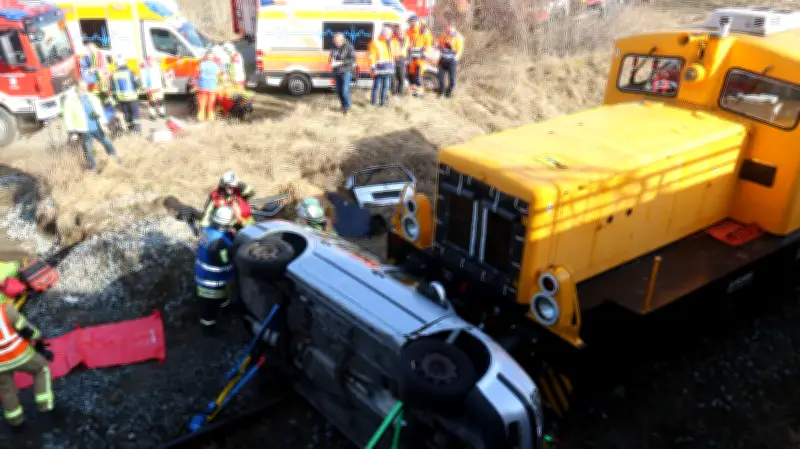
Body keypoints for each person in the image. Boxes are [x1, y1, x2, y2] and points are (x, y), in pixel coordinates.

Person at [0, 301, 54, 429]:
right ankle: (45, 407)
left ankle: (16, 422)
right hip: (19, 354)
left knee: (6, 389)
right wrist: (38, 339)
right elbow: (27, 330)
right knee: (41, 369)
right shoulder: (5, 310)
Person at [62, 80, 122, 172]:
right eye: (82, 88)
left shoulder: (93, 98)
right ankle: (92, 168)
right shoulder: (70, 101)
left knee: (108, 143)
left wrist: (104, 125)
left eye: (85, 87)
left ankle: (115, 160)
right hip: (84, 130)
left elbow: (100, 112)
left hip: (97, 127)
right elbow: (68, 117)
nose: (84, 89)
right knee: (88, 150)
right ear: (77, 88)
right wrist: (72, 132)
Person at [195, 206, 236, 333]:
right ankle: (208, 328)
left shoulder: (207, 231)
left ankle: (225, 308)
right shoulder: (220, 242)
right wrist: (234, 251)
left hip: (204, 274)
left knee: (222, 296)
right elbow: (223, 259)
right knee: (210, 307)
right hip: (212, 282)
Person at [110, 56, 142, 134]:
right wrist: (137, 88)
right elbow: (138, 83)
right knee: (135, 114)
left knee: (127, 114)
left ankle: (130, 129)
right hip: (132, 97)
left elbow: (112, 88)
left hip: (121, 98)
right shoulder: (131, 72)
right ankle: (137, 131)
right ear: (125, 63)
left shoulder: (114, 74)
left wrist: (115, 99)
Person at [406, 15, 434, 98]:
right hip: (411, 58)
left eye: (414, 21)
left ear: (418, 21)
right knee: (411, 77)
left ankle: (420, 94)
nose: (413, 23)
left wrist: (425, 54)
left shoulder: (424, 31)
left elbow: (428, 45)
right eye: (411, 22)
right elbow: (406, 43)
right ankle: (414, 94)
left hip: (420, 58)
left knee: (418, 77)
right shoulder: (408, 31)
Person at [329, 32, 356, 114]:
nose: (336, 43)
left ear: (342, 40)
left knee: (345, 90)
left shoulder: (349, 46)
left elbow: (352, 59)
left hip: (346, 71)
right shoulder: (333, 47)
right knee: (338, 91)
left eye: (337, 41)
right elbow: (330, 57)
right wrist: (331, 60)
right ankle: (343, 105)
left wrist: (341, 62)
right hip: (337, 71)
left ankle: (347, 107)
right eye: (335, 41)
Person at [369, 26, 395, 107]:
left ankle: (383, 103)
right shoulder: (375, 42)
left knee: (385, 87)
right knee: (376, 87)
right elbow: (372, 56)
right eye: (386, 33)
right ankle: (373, 103)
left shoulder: (390, 42)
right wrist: (373, 68)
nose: (388, 35)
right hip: (378, 69)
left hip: (388, 69)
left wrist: (393, 67)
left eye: (389, 34)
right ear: (382, 33)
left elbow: (392, 56)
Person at [436, 24, 464, 98]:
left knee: (452, 80)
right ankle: (442, 92)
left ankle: (448, 94)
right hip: (442, 60)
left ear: (453, 29)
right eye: (447, 30)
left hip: (451, 61)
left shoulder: (458, 38)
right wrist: (439, 46)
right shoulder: (443, 36)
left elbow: (459, 51)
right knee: (441, 78)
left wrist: (455, 59)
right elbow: (437, 45)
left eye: (449, 30)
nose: (448, 31)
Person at [194, 50, 221, 122]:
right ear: (212, 58)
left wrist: (196, 82)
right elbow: (218, 75)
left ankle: (201, 117)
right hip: (212, 87)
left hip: (203, 86)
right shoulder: (216, 65)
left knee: (202, 103)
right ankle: (210, 117)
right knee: (211, 104)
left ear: (205, 57)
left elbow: (196, 75)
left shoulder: (201, 64)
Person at [391, 23, 410, 96]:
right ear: (397, 32)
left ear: (404, 32)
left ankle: (400, 95)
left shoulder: (407, 40)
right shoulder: (393, 39)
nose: (400, 33)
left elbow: (409, 51)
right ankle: (393, 94)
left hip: (402, 61)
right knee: (393, 80)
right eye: (399, 32)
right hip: (393, 61)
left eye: (402, 32)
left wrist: (408, 60)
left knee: (401, 79)